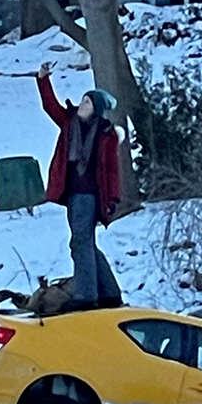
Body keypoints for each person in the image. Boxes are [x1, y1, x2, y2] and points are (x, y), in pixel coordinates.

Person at [36, 62, 124, 312]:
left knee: (80, 243)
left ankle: (87, 294)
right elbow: (50, 106)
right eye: (83, 101)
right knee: (85, 243)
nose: (82, 105)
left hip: (91, 195)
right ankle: (109, 292)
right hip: (72, 194)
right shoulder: (69, 123)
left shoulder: (105, 134)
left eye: (87, 102)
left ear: (95, 110)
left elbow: (111, 169)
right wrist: (43, 79)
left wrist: (113, 198)